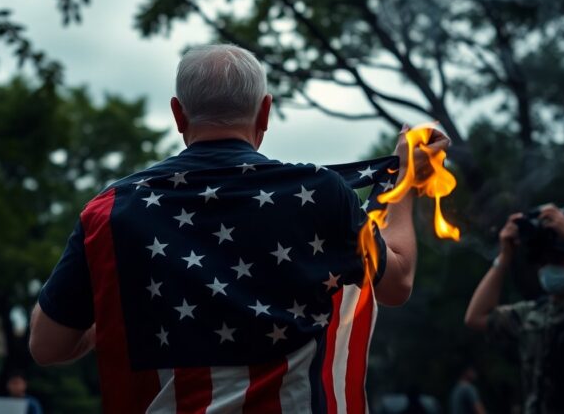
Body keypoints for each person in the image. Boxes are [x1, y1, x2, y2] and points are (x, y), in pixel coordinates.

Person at [29, 44, 449, 412]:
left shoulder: (112, 211)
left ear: (178, 113)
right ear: (265, 111)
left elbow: (47, 346)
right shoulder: (322, 195)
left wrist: (122, 315)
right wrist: (406, 181)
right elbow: (396, 283)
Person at [464, 204, 564, 413]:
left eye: (557, 260)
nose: (548, 267)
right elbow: (476, 317)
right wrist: (505, 257)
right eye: (542, 262)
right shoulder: (534, 315)